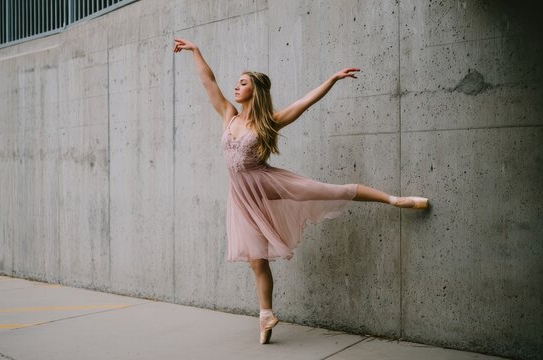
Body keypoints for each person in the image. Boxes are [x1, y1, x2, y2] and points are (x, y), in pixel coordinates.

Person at [173, 38, 428, 344]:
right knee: (257, 260)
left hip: (267, 184)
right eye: (237, 83)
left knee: (328, 191)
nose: (236, 87)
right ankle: (266, 316)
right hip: (241, 198)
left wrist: (332, 79)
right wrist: (196, 51)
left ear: (256, 89)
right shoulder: (229, 114)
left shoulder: (269, 121)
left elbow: (305, 102)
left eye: (243, 83)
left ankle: (392, 199)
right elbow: (208, 81)